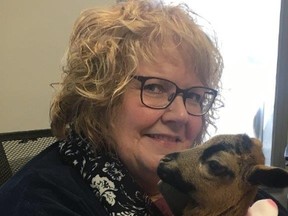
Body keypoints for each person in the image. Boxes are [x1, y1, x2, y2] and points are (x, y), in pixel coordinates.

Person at [0, 0, 287, 215]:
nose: (181, 115)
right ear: (101, 95)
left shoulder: (213, 183)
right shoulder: (37, 203)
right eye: (154, 88)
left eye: (195, 96)